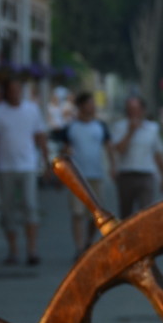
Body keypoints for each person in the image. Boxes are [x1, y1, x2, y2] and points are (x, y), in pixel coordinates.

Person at [0, 79, 49, 265]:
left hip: (27, 165)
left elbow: (40, 136)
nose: (14, 93)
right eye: (11, 90)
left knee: (30, 206)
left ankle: (32, 250)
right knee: (8, 209)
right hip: (5, 167)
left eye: (17, 89)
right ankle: (13, 250)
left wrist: (47, 162)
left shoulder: (32, 110)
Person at [63, 92, 114, 258]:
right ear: (81, 106)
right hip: (77, 176)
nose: (92, 107)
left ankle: (88, 243)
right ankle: (79, 248)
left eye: (93, 104)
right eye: (89, 104)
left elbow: (109, 147)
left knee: (96, 214)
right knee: (77, 213)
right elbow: (63, 150)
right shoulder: (71, 128)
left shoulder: (100, 126)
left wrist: (113, 167)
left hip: (96, 175)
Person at [110, 96, 163, 218]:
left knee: (146, 212)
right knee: (126, 214)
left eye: (136, 109)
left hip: (145, 175)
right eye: (130, 109)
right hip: (126, 175)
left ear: (142, 111)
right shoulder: (119, 127)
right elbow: (119, 150)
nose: (133, 113)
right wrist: (130, 132)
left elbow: (157, 153)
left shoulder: (152, 128)